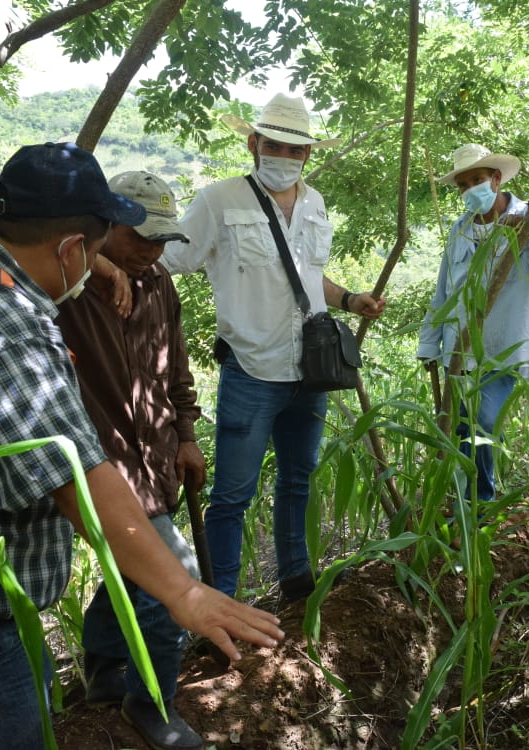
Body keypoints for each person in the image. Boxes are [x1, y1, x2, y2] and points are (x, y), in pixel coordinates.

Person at [0, 143, 283, 749]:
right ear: (69, 248)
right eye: (92, 250)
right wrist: (185, 591)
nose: (96, 265)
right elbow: (73, 473)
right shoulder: (0, 318)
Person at [160, 93, 386, 601]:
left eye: (292, 148)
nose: (281, 156)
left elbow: (307, 277)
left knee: (298, 480)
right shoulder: (219, 200)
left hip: (309, 371)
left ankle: (296, 582)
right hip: (251, 369)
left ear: (307, 154)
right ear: (252, 142)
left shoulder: (315, 202)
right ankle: (222, 598)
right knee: (232, 495)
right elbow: (166, 260)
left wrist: (350, 299)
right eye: (272, 144)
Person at [54, 171, 207, 750]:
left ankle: (102, 669)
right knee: (175, 579)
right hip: (100, 468)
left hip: (156, 458)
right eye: (139, 238)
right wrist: (95, 263)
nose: (151, 251)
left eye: (162, 240)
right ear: (103, 227)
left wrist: (186, 434)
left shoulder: (159, 282)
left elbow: (175, 367)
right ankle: (153, 705)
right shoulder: (64, 288)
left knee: (132, 570)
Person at [417, 143, 529, 504]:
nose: (470, 190)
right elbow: (444, 291)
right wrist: (428, 343)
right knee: (463, 428)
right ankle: (466, 502)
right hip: (461, 351)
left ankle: (481, 502)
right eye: (463, 184)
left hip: (507, 349)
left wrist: (526, 233)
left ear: (496, 179)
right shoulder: (460, 231)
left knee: (483, 419)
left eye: (477, 180)